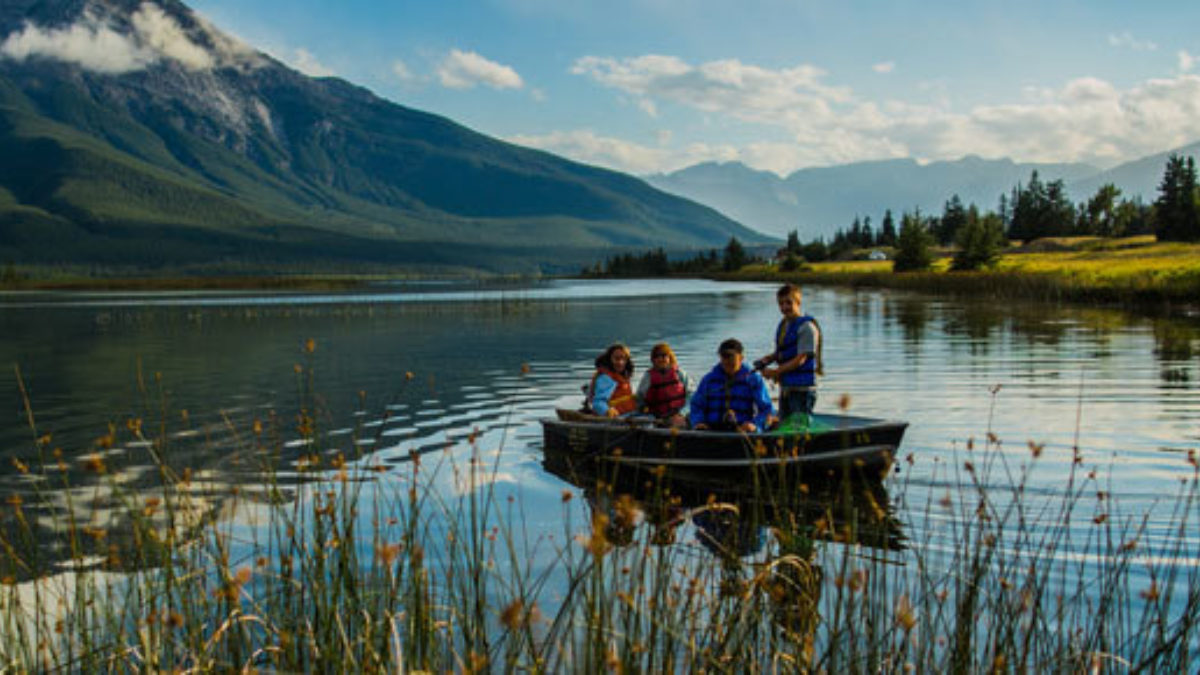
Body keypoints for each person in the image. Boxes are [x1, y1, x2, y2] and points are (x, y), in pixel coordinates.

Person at [758, 283, 822, 420]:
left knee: (799, 431)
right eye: (781, 304)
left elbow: (801, 359)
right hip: (787, 387)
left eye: (789, 302)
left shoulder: (807, 327)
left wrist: (775, 372)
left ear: (798, 302)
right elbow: (783, 352)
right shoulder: (784, 325)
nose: (784, 307)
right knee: (784, 427)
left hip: (803, 390)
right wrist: (768, 359)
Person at [689, 338, 775, 432]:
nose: (727, 362)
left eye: (731, 358)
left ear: (741, 358)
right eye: (724, 357)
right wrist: (698, 422)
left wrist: (755, 425)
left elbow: (767, 409)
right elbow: (696, 405)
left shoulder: (753, 379)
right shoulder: (709, 380)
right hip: (711, 429)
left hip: (742, 430)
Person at [635, 342, 690, 427]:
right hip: (657, 417)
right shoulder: (648, 377)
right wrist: (643, 410)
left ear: (669, 357)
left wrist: (682, 414)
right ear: (653, 360)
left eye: (664, 355)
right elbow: (640, 398)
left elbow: (691, 396)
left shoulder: (680, 373)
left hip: (679, 414)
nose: (661, 359)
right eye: (657, 356)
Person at [588, 342, 637, 418]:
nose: (621, 362)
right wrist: (607, 411)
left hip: (629, 415)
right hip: (616, 419)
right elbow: (598, 402)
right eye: (616, 359)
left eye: (623, 359)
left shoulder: (622, 376)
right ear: (609, 359)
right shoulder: (607, 378)